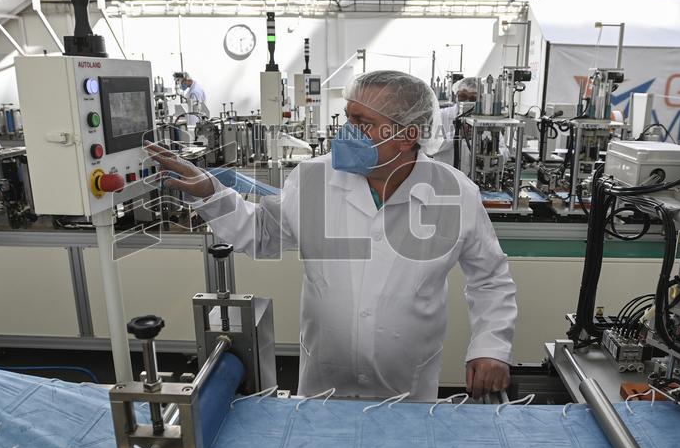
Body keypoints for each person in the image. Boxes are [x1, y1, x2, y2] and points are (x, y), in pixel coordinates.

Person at [147, 70, 517, 401]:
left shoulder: (453, 193)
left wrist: (491, 347)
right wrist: (212, 194)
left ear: (407, 136)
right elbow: (262, 235)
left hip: (408, 388)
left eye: (361, 122)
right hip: (324, 384)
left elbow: (490, 279)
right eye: (348, 117)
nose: (346, 131)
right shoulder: (313, 179)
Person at [432, 77, 479, 171]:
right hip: (445, 175)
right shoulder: (441, 115)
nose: (467, 102)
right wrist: (457, 135)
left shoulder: (484, 121)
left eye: (473, 98)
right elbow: (431, 146)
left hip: (475, 177)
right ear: (455, 96)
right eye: (463, 96)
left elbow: (502, 151)